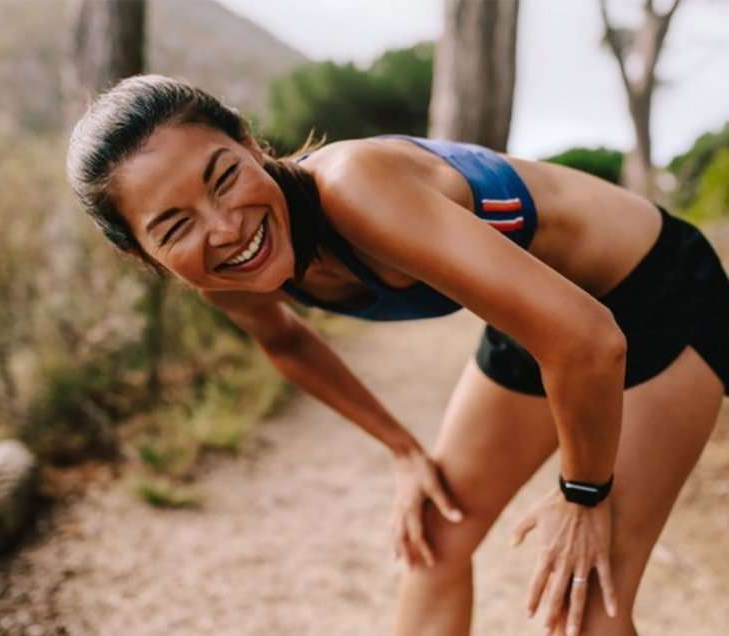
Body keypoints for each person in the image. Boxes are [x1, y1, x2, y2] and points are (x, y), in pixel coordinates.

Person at [66, 74, 729, 636]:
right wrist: (403, 450)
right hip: (540, 325)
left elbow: (588, 338)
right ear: (139, 252)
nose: (226, 227)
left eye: (224, 177)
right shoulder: (226, 276)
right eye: (175, 225)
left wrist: (583, 494)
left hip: (656, 294)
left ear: (248, 142)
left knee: (586, 606)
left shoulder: (356, 188)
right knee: (434, 542)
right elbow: (287, 340)